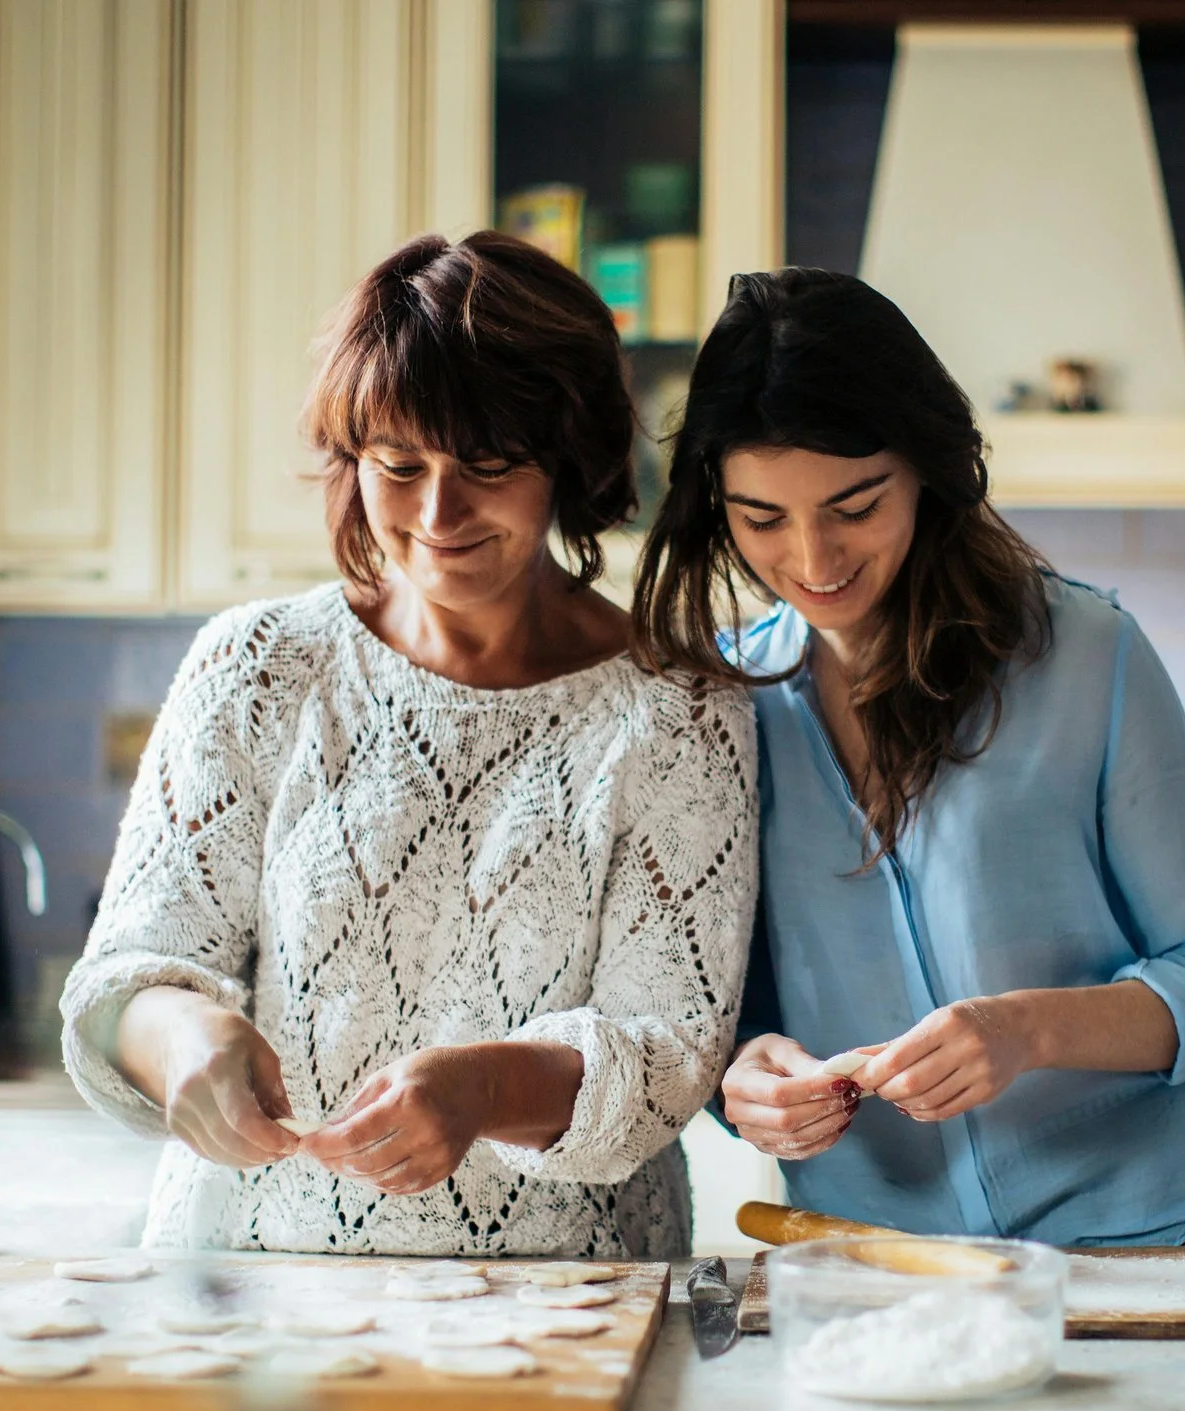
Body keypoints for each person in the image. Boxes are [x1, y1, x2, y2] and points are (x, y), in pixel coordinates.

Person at [61, 233, 758, 1257]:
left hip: (563, 1302)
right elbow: (128, 971)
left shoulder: (680, 710)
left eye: (488, 465)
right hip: (251, 1286)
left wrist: (481, 1089)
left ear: (566, 461)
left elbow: (666, 1054)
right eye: (398, 465)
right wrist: (182, 1038)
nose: (438, 513)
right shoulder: (258, 666)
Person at [630, 269, 1185, 1246]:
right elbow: (726, 1013)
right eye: (761, 518)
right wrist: (746, 1079)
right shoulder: (724, 709)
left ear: (926, 467)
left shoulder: (1086, 655)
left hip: (1149, 1243)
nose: (812, 555)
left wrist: (1027, 1029)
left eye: (855, 503)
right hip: (875, 1263)